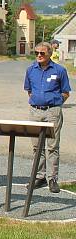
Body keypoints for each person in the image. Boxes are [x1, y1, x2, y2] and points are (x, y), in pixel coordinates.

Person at [24, 42, 71, 193]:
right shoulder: (30, 70)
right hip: (35, 112)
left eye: (42, 53)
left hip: (53, 112)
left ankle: (52, 179)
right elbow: (29, 91)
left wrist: (54, 105)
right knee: (37, 146)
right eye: (36, 52)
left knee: (52, 146)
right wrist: (39, 103)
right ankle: (39, 176)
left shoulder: (60, 70)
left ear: (50, 54)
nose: (38, 55)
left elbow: (65, 92)